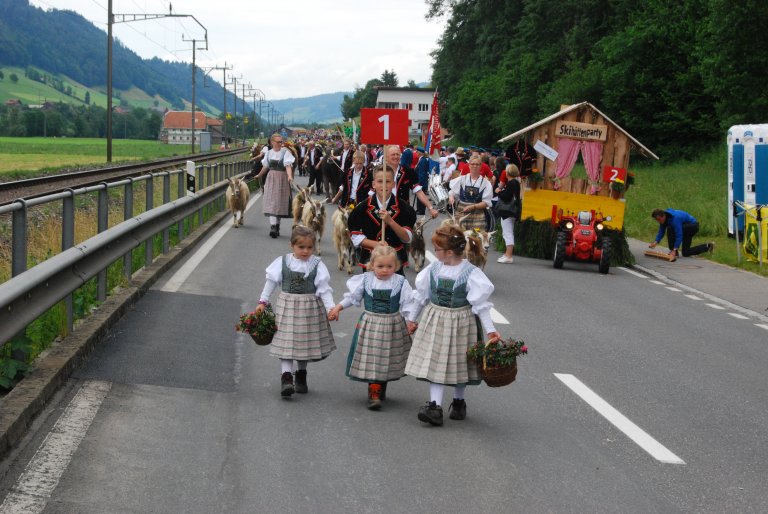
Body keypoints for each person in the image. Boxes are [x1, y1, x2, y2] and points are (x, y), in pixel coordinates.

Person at [404, 224, 500, 426]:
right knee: (435, 361)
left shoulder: (471, 272)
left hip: (461, 321)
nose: (434, 253)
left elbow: (481, 305)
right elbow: (421, 297)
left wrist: (491, 330)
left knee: (459, 362)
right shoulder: (434, 269)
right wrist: (412, 319)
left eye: (437, 249)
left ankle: (458, 402)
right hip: (435, 319)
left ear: (448, 252)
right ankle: (434, 407)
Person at [327, 246, 415, 410]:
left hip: (392, 324)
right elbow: (352, 298)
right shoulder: (366, 280)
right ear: (372, 265)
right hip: (371, 323)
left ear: (396, 266)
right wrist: (338, 307)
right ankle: (374, 391)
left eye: (389, 266)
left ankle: (381, 386)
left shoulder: (400, 282)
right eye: (380, 266)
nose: (384, 270)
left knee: (386, 357)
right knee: (373, 355)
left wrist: (411, 321)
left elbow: (408, 304)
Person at [255, 226, 336, 397]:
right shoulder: (283, 261)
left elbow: (324, 288)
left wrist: (331, 308)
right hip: (288, 307)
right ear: (291, 245)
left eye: (309, 247)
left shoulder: (317, 264)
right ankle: (286, 379)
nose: (306, 251)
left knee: (302, 344)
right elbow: (271, 282)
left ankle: (301, 375)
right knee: (287, 342)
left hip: (309, 309)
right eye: (301, 247)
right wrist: (263, 301)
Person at [348, 164, 417, 271]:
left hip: (395, 264)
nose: (384, 185)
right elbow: (355, 236)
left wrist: (390, 221)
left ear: (393, 184)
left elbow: (407, 238)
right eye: (380, 182)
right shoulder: (361, 208)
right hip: (370, 261)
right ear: (373, 184)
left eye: (388, 182)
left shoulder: (404, 208)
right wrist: (375, 244)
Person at [382, 145, 439, 219]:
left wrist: (430, 208)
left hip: (402, 211)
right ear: (386, 157)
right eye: (393, 154)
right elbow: (372, 193)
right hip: (384, 210)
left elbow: (419, 192)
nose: (396, 157)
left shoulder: (409, 172)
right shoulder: (379, 171)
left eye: (398, 154)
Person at [256, 133, 295, 238]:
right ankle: (273, 226)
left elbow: (288, 166)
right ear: (272, 142)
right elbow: (265, 167)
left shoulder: (285, 152)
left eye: (281, 141)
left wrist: (290, 176)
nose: (280, 143)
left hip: (282, 179)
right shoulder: (268, 153)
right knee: (271, 203)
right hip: (271, 179)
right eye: (278, 142)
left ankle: (277, 225)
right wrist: (259, 175)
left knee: (279, 204)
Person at [448, 156, 494, 231]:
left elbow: (486, 202)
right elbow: (452, 192)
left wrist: (473, 207)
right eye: (472, 164)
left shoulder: (486, 183)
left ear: (481, 166)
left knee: (475, 238)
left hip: (478, 215)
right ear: (469, 165)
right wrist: (451, 198)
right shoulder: (462, 179)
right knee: (459, 237)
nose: (475, 166)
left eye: (477, 164)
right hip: (461, 212)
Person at [649, 208, 714, 258]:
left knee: (670, 228)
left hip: (692, 226)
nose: (658, 221)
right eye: (656, 220)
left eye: (659, 219)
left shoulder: (675, 219)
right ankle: (708, 246)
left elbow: (679, 235)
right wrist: (655, 242)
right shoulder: (664, 219)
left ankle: (674, 252)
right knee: (685, 253)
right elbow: (661, 231)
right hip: (685, 227)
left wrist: (674, 249)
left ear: (663, 216)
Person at [495, 164, 522, 263]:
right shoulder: (515, 182)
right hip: (512, 211)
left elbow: (506, 197)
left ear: (508, 173)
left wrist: (499, 191)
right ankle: (507, 253)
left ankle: (509, 255)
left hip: (508, 211)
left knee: (508, 233)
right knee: (507, 232)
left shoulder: (511, 183)